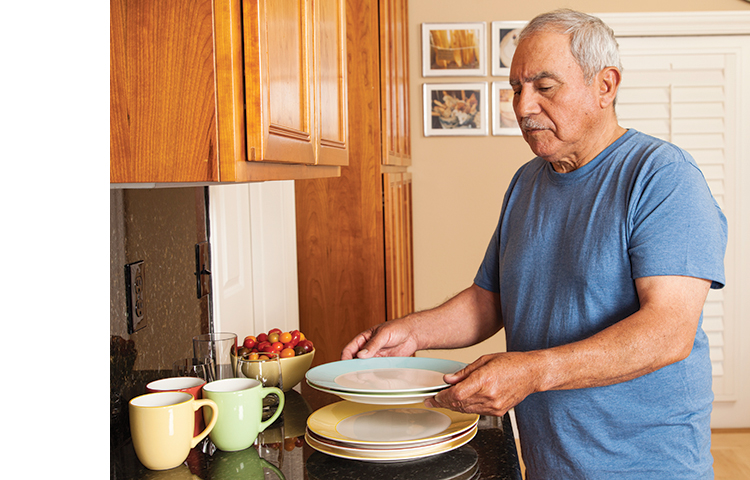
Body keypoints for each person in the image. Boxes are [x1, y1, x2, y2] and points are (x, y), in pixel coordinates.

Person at [341, 8, 727, 480]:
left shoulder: (662, 177)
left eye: (544, 88)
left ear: (605, 86)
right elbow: (492, 299)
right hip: (547, 463)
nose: (523, 107)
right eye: (516, 89)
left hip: (647, 467)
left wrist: (530, 372)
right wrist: (412, 333)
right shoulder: (527, 182)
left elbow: (669, 331)